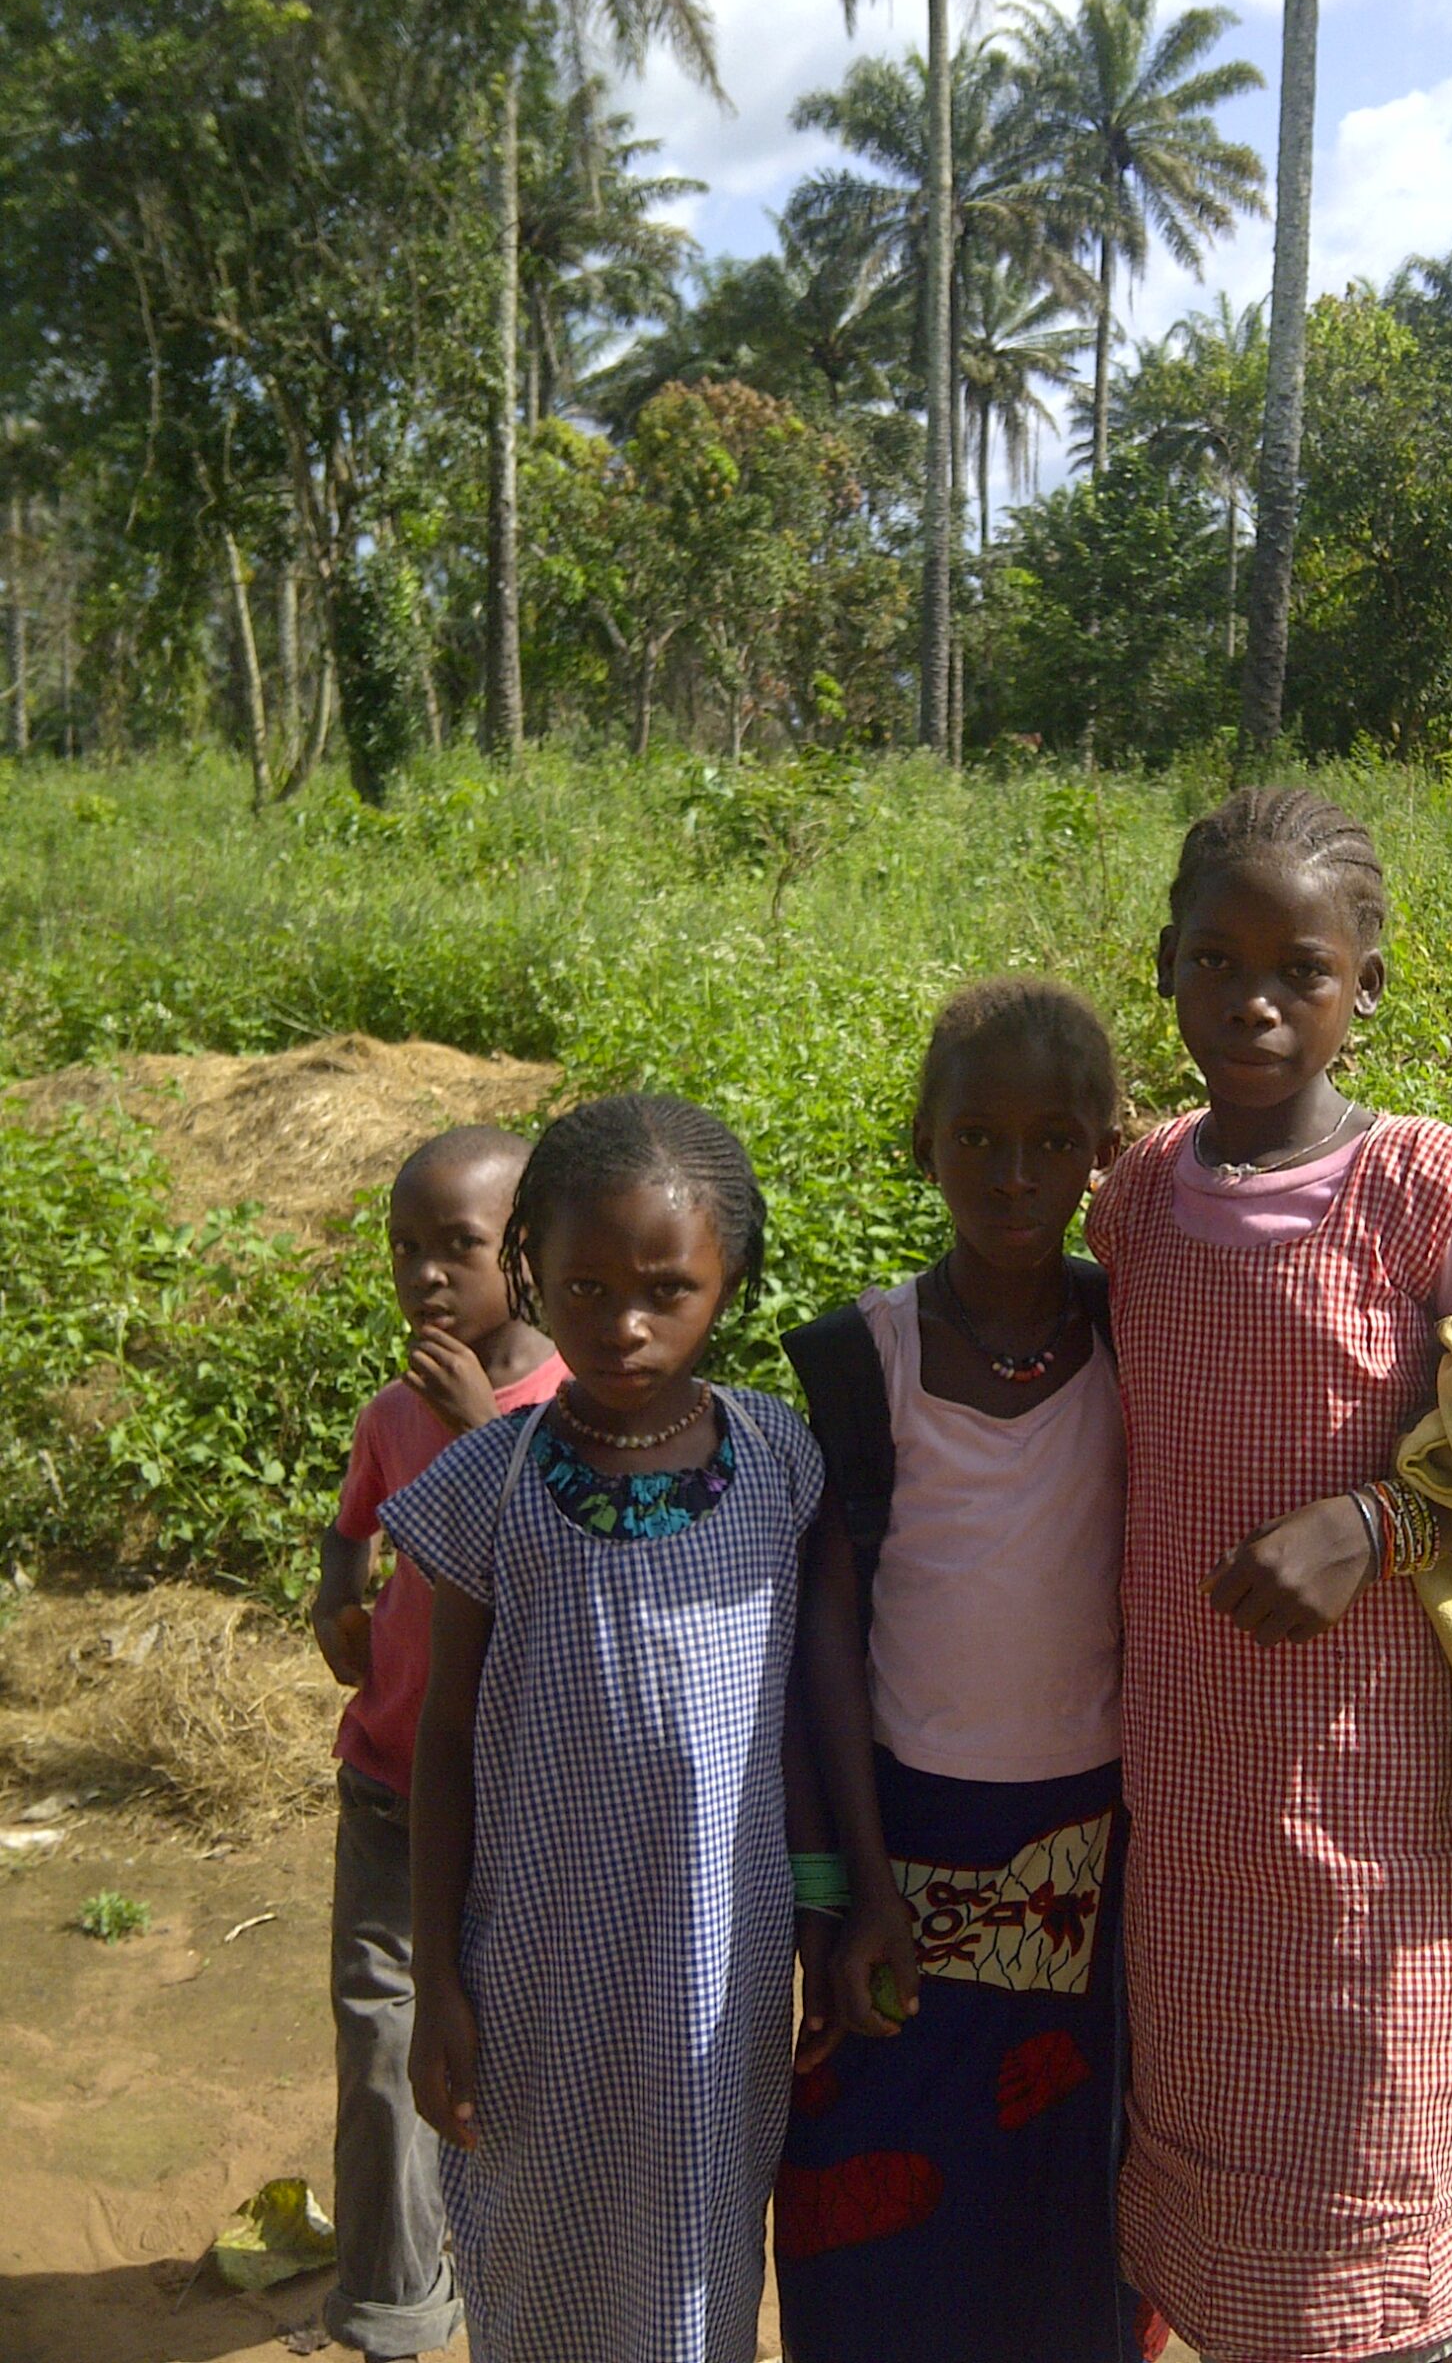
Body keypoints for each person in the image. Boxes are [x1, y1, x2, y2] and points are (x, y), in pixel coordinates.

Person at [1088, 788, 1452, 2363]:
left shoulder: (1420, 1195)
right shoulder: (1139, 1199)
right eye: (1217, 961)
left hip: (1377, 1808)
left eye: (1301, 970)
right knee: (1215, 2188)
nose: (1254, 1001)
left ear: (1364, 989)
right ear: (1167, 970)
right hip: (1194, 1804)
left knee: (1376, 2161)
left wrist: (1376, 1524)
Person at [382, 1094, 913, 2363]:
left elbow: (815, 1705)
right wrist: (436, 1980)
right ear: (531, 1271)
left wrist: (840, 1895)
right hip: (533, 1969)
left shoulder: (779, 1459)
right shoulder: (490, 1480)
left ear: (730, 1279)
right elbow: (444, 1743)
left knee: (691, 2266)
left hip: (713, 1975)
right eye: (586, 1287)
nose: (624, 1324)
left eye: (668, 1289)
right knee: (534, 2246)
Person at [776, 978, 1166, 2363]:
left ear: (1104, 1151)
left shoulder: (1141, 1335)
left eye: (1054, 1141)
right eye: (978, 1139)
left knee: (1064, 2209)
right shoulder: (864, 1359)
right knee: (874, 2195)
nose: (1014, 1175)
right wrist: (850, 1886)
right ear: (922, 1144)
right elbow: (828, 1640)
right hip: (907, 1837)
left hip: (1094, 1850)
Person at [310, 1124, 563, 2363]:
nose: (424, 1274)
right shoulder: (391, 1410)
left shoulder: (571, 1412)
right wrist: (336, 1598)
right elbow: (351, 1520)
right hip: (388, 1778)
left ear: (526, 1250)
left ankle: (523, 2272)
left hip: (511, 1797)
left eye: (456, 1245)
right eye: (404, 1247)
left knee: (507, 2046)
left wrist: (478, 1432)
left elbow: (562, 1580)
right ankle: (394, 2307)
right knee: (379, 2037)